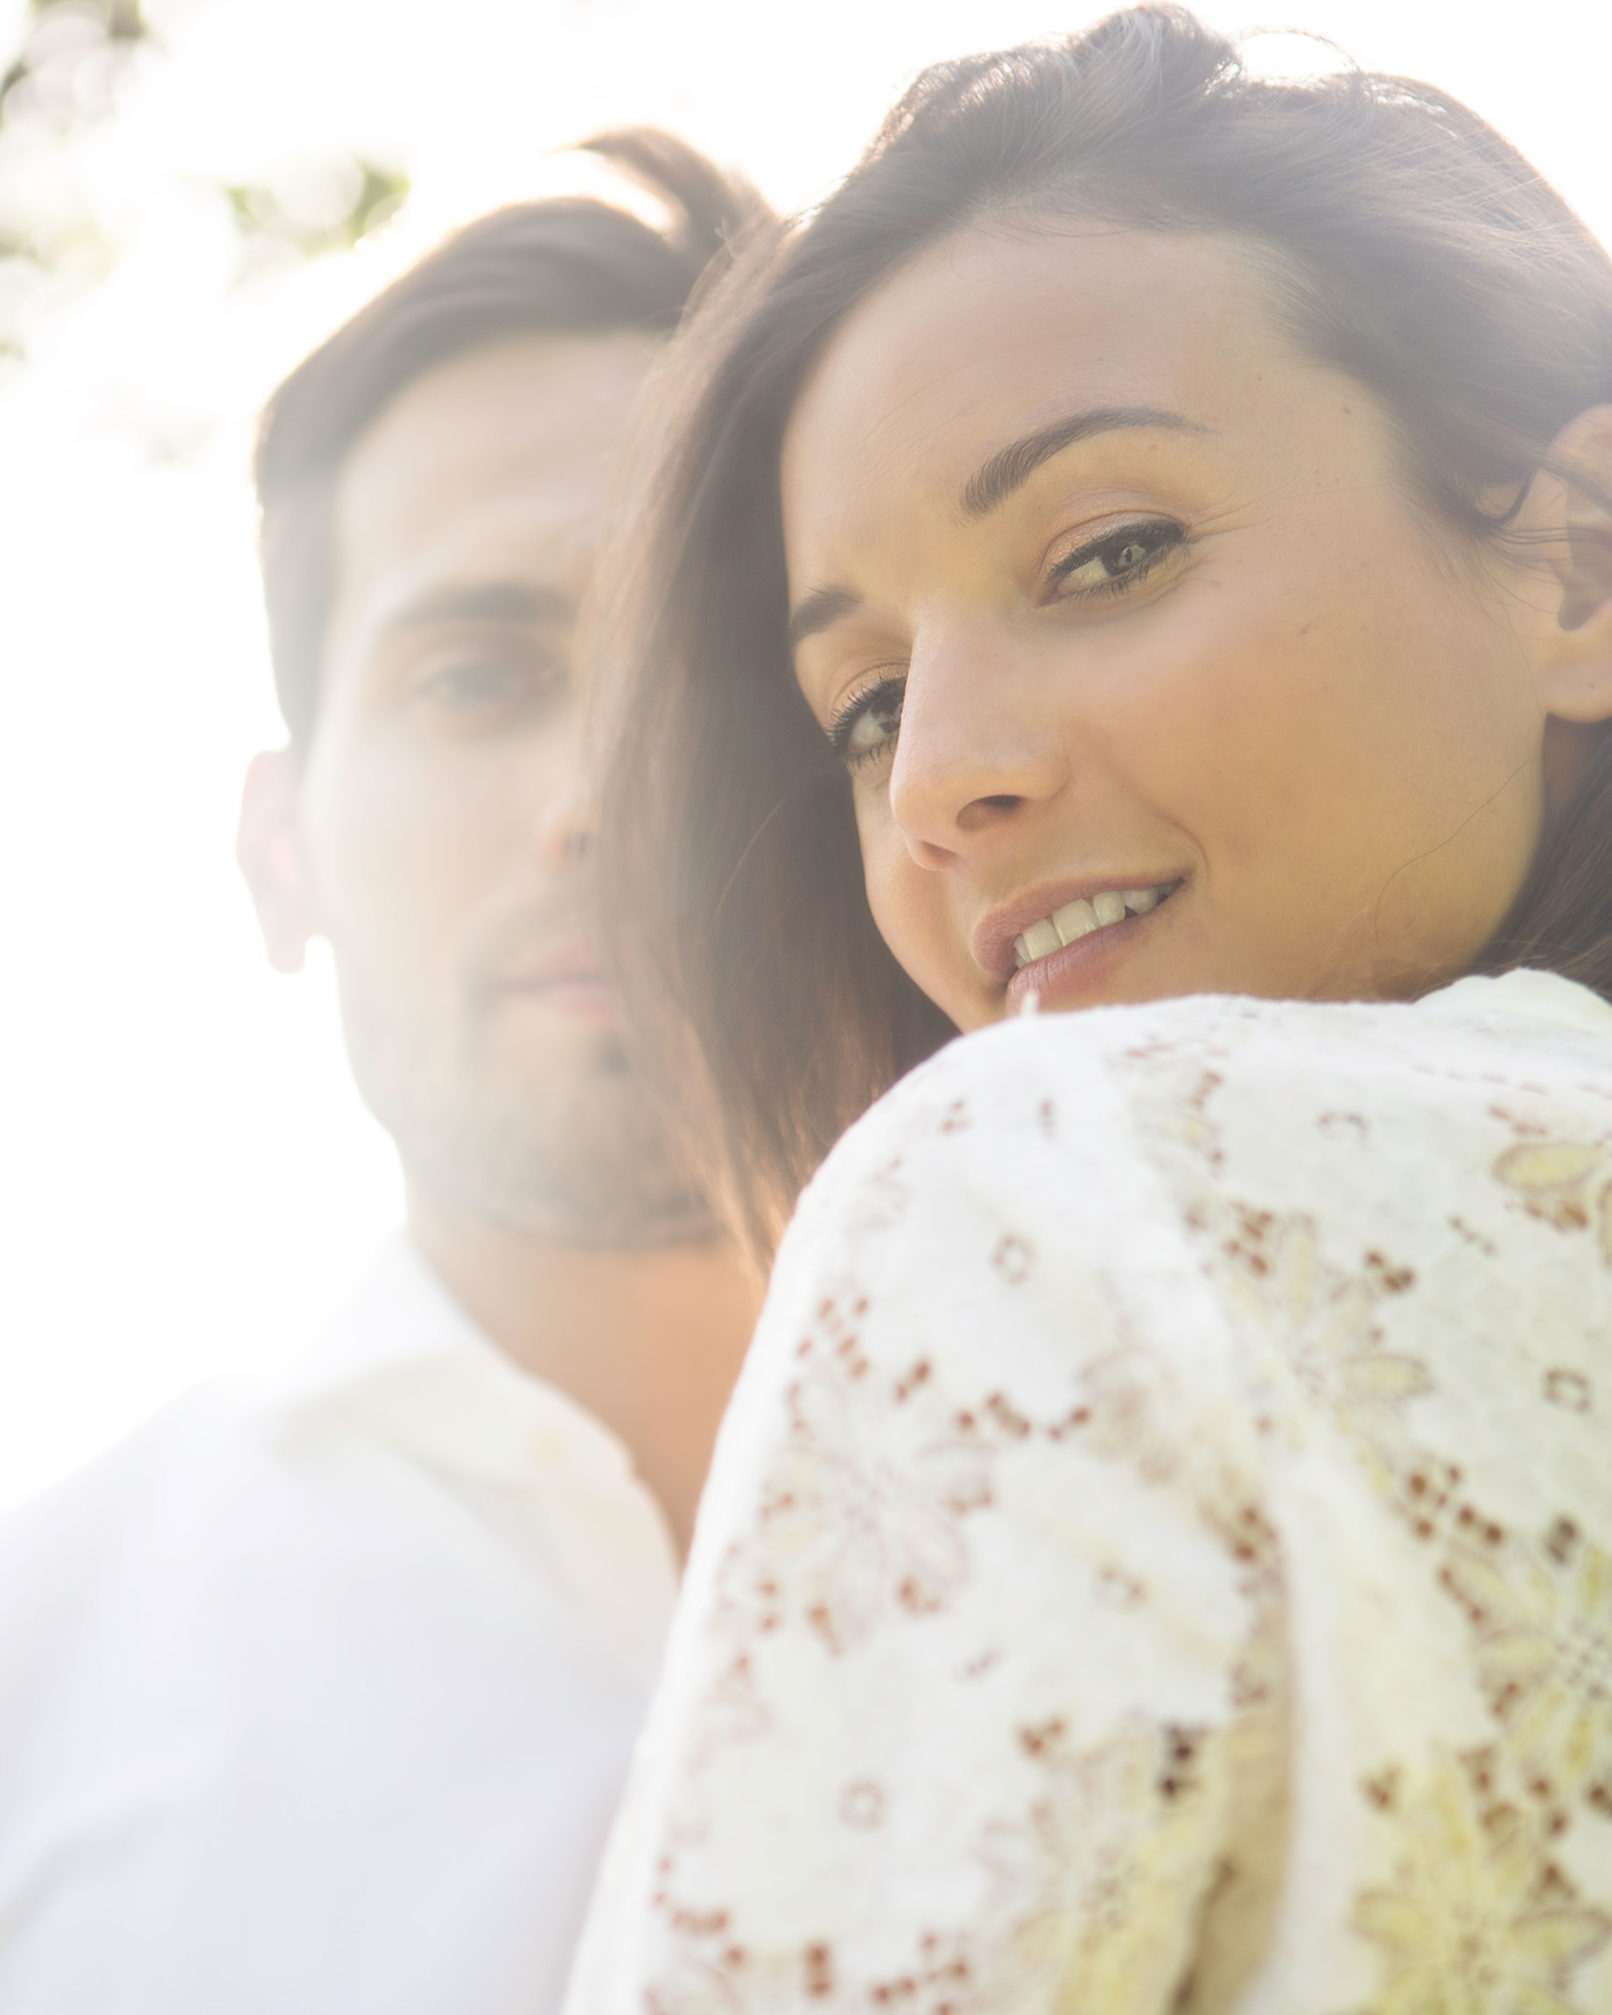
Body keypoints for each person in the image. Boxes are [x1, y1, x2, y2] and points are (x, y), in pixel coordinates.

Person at [564, 14, 1612, 2011]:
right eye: (864, 707)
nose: (938, 780)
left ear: (1572, 562)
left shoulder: (1044, 1185)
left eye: (1107, 554)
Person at [0, 134, 763, 2015]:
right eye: (476, 676)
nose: (600, 798)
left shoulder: (1275, 1483)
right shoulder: (43, 1668)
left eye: (715, 667)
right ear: (282, 859)